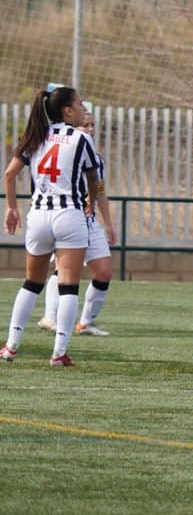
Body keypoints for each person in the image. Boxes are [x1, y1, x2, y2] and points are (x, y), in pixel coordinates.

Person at [3, 85, 113, 367]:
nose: (82, 110)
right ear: (67, 110)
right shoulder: (80, 138)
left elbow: (9, 174)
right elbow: (93, 178)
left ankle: (11, 347)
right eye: (78, 105)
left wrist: (12, 207)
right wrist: (90, 198)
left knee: (31, 284)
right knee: (68, 287)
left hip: (38, 215)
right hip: (69, 214)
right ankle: (59, 353)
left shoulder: (35, 135)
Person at [36, 101, 114, 337]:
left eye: (92, 125)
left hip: (89, 222)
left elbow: (99, 190)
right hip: (68, 216)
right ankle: (50, 316)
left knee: (104, 272)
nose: (90, 129)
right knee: (63, 269)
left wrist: (108, 224)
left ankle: (86, 322)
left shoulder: (96, 158)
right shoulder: (63, 149)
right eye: (86, 124)